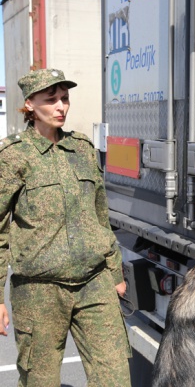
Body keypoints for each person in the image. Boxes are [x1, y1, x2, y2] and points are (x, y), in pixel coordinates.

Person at [0, 68, 132, 387]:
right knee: (39, 380)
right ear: (30, 104)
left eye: (65, 98)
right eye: (51, 99)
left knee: (114, 376)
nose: (61, 106)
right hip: (39, 290)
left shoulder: (83, 149)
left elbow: (100, 215)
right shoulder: (13, 156)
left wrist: (115, 272)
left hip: (94, 281)